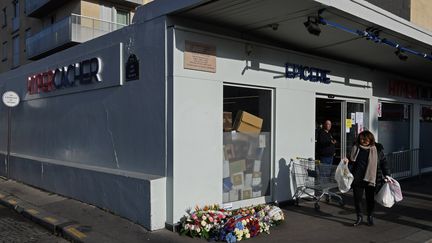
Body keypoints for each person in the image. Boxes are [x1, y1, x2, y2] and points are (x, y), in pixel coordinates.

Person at [343, 131, 390, 227]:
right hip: (357, 178)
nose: (363, 141)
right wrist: (347, 161)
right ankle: (359, 217)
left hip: (371, 179)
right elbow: (351, 161)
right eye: (361, 139)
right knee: (357, 199)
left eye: (366, 139)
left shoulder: (377, 149)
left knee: (370, 199)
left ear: (370, 139)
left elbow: (383, 163)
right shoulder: (355, 148)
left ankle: (370, 217)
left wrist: (387, 174)